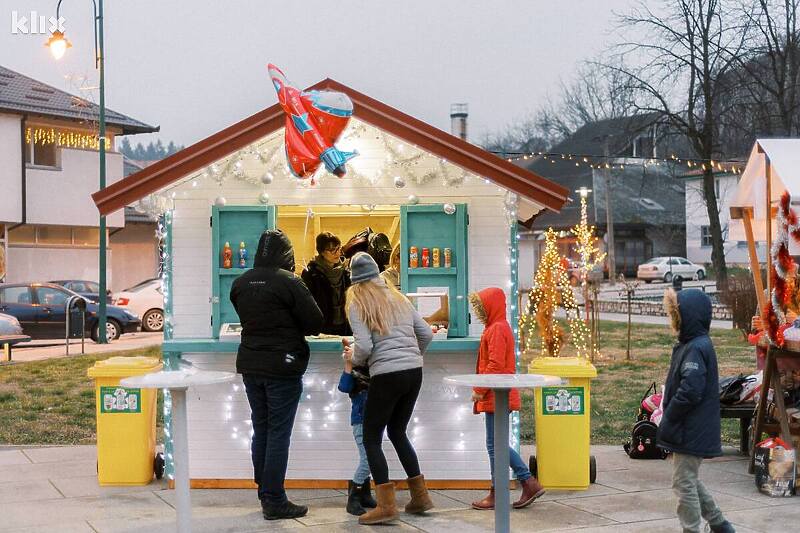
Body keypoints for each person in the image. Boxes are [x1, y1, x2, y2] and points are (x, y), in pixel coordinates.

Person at [230, 229, 324, 521]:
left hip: (250, 364)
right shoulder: (289, 281)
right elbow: (315, 322)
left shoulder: (240, 283)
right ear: (287, 254)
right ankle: (274, 499)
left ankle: (265, 492)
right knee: (278, 432)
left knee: (262, 428)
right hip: (282, 366)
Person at [343, 252, 434, 525]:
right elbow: (427, 334)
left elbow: (366, 347)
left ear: (354, 280)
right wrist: (412, 356)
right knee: (397, 431)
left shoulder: (357, 302)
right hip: (413, 372)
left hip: (386, 374)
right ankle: (420, 497)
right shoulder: (399, 298)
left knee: (372, 437)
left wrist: (352, 358)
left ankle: (386, 506)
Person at [659, 288, 735, 533]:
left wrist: (669, 416)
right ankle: (720, 524)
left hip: (691, 427)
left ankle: (692, 529)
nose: (674, 321)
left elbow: (691, 390)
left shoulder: (695, 348)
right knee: (688, 478)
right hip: (691, 427)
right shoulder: (692, 344)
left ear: (687, 317)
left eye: (676, 315)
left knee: (683, 483)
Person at [468, 287, 545, 511]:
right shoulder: (496, 328)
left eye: (481, 307)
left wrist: (479, 389)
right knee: (496, 444)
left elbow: (496, 366)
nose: (479, 311)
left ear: (489, 307)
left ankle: (517, 484)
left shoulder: (497, 330)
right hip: (498, 395)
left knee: (496, 445)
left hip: (497, 395)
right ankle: (517, 485)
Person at [338, 339, 377, 516]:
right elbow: (344, 387)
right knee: (368, 459)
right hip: (361, 421)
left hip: (375, 421)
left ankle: (364, 494)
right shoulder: (354, 375)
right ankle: (354, 495)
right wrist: (348, 363)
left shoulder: (374, 372)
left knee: (371, 456)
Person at [301, 232, 351, 335]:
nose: (338, 253)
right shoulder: (311, 273)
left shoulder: (345, 271)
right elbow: (306, 303)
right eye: (333, 250)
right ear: (322, 252)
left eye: (339, 248)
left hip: (345, 325)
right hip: (322, 326)